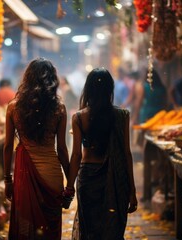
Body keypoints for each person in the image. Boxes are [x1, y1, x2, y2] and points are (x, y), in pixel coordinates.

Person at [66, 67, 138, 239]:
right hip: (114, 180)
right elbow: (126, 154)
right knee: (111, 229)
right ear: (110, 90)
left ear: (88, 89)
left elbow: (76, 156)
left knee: (89, 230)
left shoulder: (79, 117)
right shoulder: (122, 115)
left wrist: (69, 188)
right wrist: (132, 190)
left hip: (87, 180)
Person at [3, 58, 70, 240]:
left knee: (26, 227)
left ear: (27, 78)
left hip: (25, 178)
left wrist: (7, 180)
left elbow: (8, 146)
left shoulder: (13, 107)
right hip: (52, 176)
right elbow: (62, 149)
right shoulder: (60, 108)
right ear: (52, 80)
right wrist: (71, 184)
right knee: (50, 229)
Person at [58, 76, 78, 150]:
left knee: (66, 131)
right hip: (68, 111)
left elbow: (67, 102)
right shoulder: (67, 89)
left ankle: (67, 147)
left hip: (68, 112)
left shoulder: (66, 89)